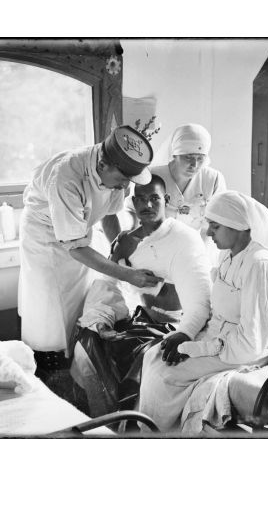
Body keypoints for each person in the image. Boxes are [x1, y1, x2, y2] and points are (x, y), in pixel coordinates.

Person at [138, 190, 268, 432]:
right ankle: (148, 431)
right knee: (151, 356)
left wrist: (197, 349)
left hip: (241, 350)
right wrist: (186, 334)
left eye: (215, 227)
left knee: (165, 375)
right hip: (217, 338)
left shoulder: (259, 265)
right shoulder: (227, 256)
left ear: (237, 226)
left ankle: (162, 436)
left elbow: (251, 341)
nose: (208, 232)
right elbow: (215, 310)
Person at [70, 174, 212, 415]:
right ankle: (106, 423)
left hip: (176, 324)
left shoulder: (184, 238)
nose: (147, 206)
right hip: (142, 317)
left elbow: (199, 301)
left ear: (166, 200)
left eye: (154, 199)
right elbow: (109, 283)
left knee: (145, 365)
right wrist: (100, 318)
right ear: (132, 203)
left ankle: (133, 424)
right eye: (141, 199)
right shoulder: (125, 241)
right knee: (87, 348)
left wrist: (153, 288)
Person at [18, 126, 163, 356]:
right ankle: (48, 357)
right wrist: (126, 274)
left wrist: (118, 247)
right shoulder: (66, 177)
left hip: (79, 231)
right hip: (45, 235)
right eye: (122, 180)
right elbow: (75, 247)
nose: (126, 186)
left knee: (81, 294)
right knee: (50, 305)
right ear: (102, 165)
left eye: (129, 181)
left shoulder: (116, 173)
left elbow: (109, 214)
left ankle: (77, 347)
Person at [125, 123, 227, 265]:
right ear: (175, 154)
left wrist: (199, 254)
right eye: (188, 157)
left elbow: (215, 223)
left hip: (196, 249)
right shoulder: (151, 176)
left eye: (200, 158)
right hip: (155, 247)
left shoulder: (213, 179)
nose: (195, 165)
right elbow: (132, 211)